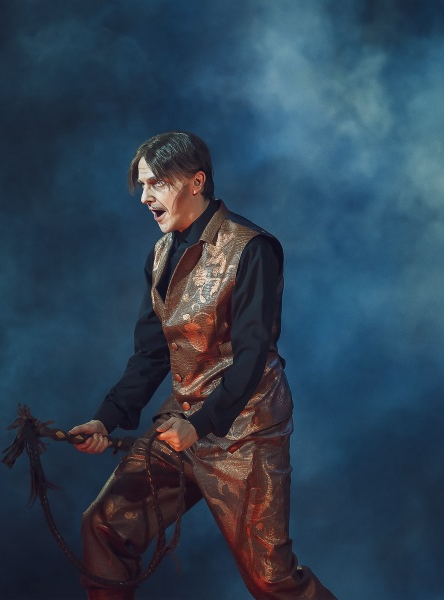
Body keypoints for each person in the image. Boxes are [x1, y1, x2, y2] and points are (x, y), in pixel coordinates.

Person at [69, 132, 337, 600]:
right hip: (182, 425)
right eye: (142, 185)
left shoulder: (251, 248)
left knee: (271, 580)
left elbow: (252, 356)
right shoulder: (160, 255)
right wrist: (104, 420)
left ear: (196, 182)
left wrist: (202, 424)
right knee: (105, 525)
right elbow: (151, 355)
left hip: (245, 433)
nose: (145, 197)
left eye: (156, 183)